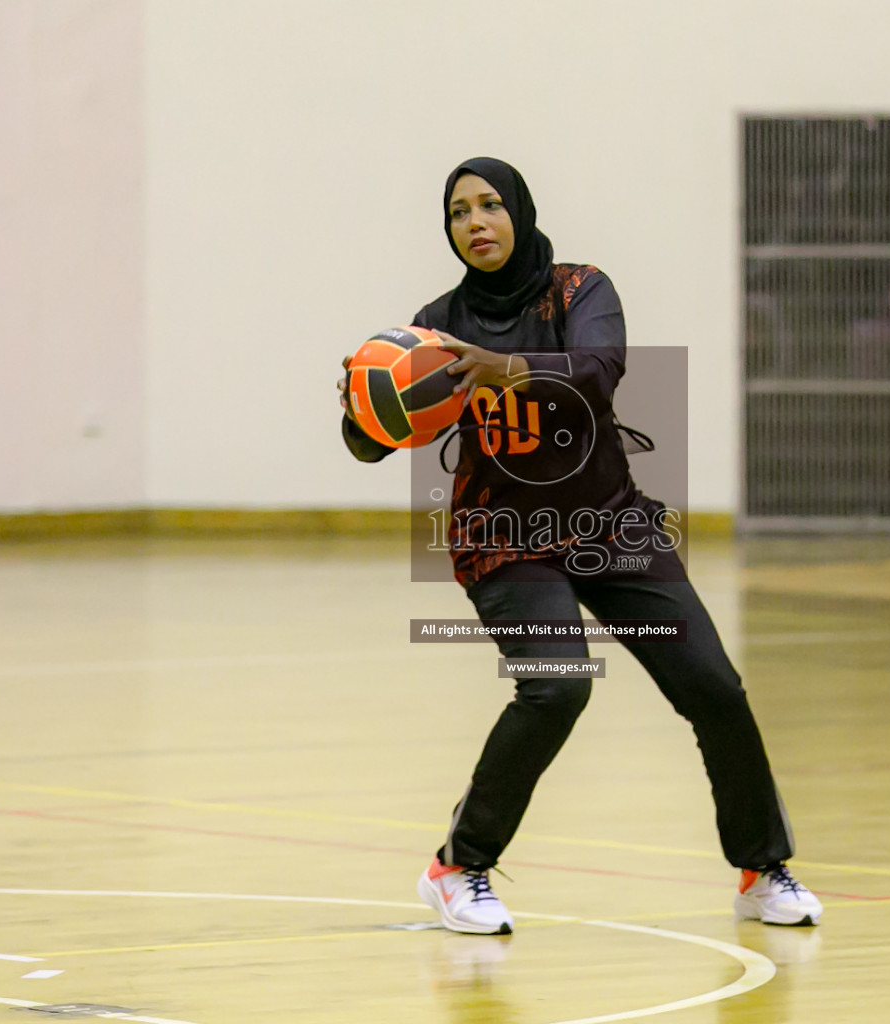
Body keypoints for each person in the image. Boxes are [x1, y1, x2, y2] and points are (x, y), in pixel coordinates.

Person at [337, 157, 822, 934]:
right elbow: (374, 445)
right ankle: (458, 867)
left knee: (715, 690)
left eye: (490, 205)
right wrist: (363, 408)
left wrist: (507, 367)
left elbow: (599, 371)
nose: (476, 223)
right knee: (558, 686)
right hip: (505, 538)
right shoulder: (434, 323)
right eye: (459, 212)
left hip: (609, 523)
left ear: (520, 211)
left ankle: (761, 869)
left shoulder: (580, 288)